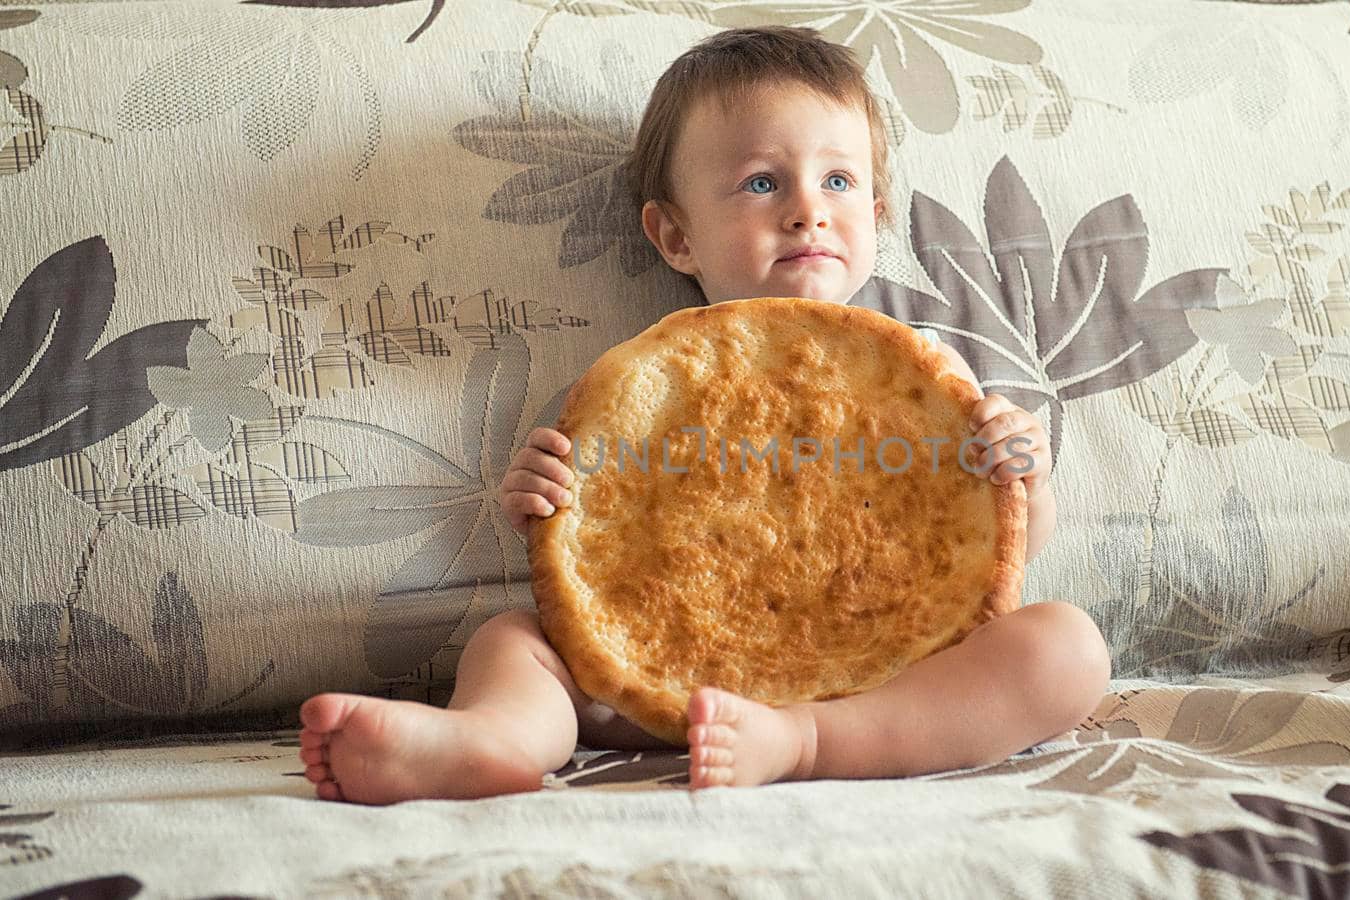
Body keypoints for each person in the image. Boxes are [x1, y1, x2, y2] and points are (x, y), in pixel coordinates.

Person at [297, 25, 1110, 804]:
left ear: (880, 210)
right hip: (655, 682)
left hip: (888, 675)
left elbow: (1002, 558)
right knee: (512, 640)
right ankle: (495, 740)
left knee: (1066, 648)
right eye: (762, 183)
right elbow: (583, 544)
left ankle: (808, 741)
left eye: (838, 180)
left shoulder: (933, 384)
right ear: (675, 235)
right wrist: (539, 495)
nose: (806, 210)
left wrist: (1020, 478)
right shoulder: (646, 391)